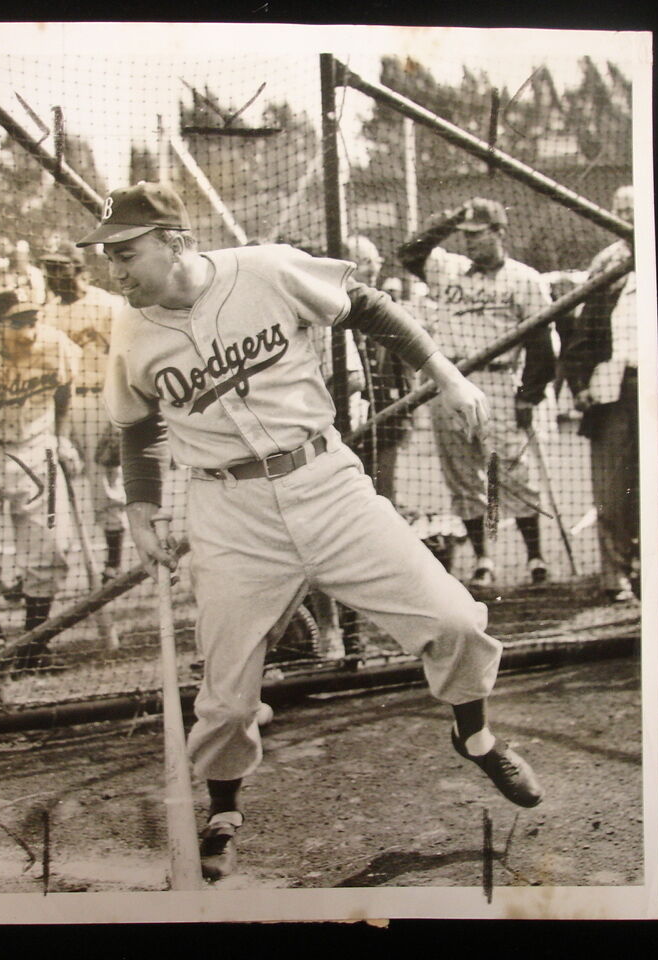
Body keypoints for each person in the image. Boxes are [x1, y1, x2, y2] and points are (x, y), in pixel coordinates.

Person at [81, 181, 543, 882]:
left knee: (453, 620)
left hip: (325, 483)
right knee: (228, 694)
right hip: (228, 512)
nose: (113, 269)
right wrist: (141, 511)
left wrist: (447, 376)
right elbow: (138, 424)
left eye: (125, 251)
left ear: (176, 241)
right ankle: (225, 810)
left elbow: (367, 306)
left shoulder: (263, 270)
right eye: (105, 254)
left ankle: (475, 736)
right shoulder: (131, 326)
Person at [397, 197, 557, 592]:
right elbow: (408, 253)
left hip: (497, 380)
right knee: (462, 476)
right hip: (448, 380)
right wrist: (451, 221)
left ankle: (534, 555)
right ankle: (484, 559)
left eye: (477, 234)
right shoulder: (446, 267)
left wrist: (528, 395)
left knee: (511, 471)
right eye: (464, 236)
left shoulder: (525, 279)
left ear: (499, 232)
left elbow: (542, 345)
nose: (469, 243)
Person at [0, 290, 82, 670]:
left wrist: (62, 436)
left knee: (51, 544)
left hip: (37, 446)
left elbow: (65, 389)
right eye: (18, 321)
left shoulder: (56, 344)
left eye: (32, 318)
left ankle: (34, 643)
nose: (29, 328)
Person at [560, 185, 640, 602]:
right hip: (615, 385)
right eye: (619, 210)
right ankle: (617, 574)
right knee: (612, 487)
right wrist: (578, 383)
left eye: (633, 208)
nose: (626, 216)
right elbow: (583, 332)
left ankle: (648, 564)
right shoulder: (607, 262)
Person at [38, 243, 128, 583]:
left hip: (98, 401)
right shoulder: (46, 313)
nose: (51, 275)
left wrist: (119, 420)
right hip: (56, 406)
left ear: (77, 269)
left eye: (59, 268)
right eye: (47, 268)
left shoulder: (108, 305)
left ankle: (113, 562)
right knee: (49, 485)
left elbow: (127, 360)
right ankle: (48, 562)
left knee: (104, 485)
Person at [347, 235, 415, 503]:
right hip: (350, 419)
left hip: (387, 416)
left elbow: (403, 365)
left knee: (385, 495)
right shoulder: (334, 311)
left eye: (375, 260)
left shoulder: (386, 308)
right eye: (364, 261)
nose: (373, 268)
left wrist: (406, 414)